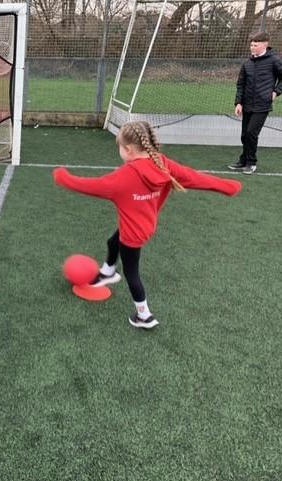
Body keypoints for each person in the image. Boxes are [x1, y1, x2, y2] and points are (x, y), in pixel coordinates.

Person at [53, 121, 242, 329]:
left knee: (132, 274)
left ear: (128, 149)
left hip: (133, 235)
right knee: (112, 241)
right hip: (145, 226)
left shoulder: (124, 176)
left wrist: (64, 179)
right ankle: (108, 272)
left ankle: (144, 315)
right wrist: (228, 187)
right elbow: (194, 177)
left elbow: (92, 186)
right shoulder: (162, 163)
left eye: (119, 147)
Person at [228, 31, 282, 175]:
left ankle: (251, 163)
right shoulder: (247, 63)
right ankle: (243, 160)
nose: (252, 48)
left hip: (262, 105)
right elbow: (241, 84)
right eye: (251, 45)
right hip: (247, 104)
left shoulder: (274, 60)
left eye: (255, 45)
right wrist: (238, 103)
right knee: (244, 135)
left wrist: (276, 92)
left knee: (251, 133)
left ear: (265, 45)